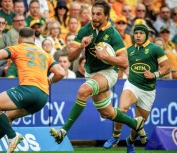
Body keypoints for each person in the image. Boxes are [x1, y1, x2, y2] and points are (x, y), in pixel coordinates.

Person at [50, 1, 147, 146]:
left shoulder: (113, 34)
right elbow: (70, 57)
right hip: (91, 73)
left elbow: (125, 62)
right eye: (93, 14)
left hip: (109, 72)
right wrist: (81, 47)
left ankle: (63, 131)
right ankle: (135, 123)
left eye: (98, 14)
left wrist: (105, 57)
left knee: (83, 91)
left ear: (106, 16)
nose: (94, 17)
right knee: (106, 113)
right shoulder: (85, 30)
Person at [0, 27, 65, 153]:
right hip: (43, 96)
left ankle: (12, 136)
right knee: (8, 117)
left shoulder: (17, 48)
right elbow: (61, 73)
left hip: (28, 89)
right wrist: (49, 81)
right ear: (34, 39)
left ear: (19, 40)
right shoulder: (45, 53)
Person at [103, 24, 171, 152]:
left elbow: (167, 67)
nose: (138, 35)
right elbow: (121, 65)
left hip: (148, 91)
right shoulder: (129, 50)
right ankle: (115, 136)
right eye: (136, 33)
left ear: (146, 35)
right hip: (132, 85)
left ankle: (130, 141)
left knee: (138, 124)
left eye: (141, 33)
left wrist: (154, 74)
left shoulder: (155, 49)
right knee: (122, 108)